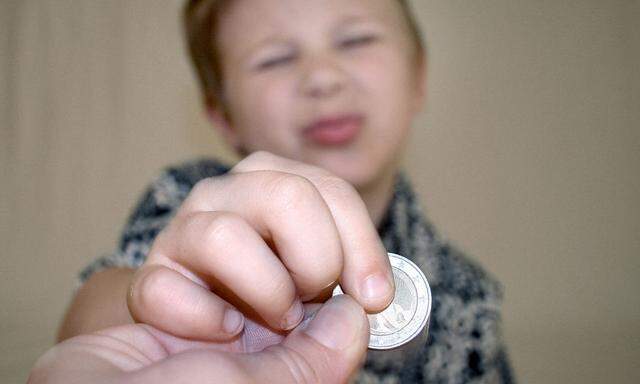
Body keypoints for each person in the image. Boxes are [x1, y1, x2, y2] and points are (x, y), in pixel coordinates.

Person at [31, 0, 515, 382]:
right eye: (275, 59)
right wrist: (160, 301)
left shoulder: (469, 294)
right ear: (223, 116)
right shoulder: (190, 201)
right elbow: (86, 322)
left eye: (357, 39)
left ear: (419, 78)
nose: (323, 78)